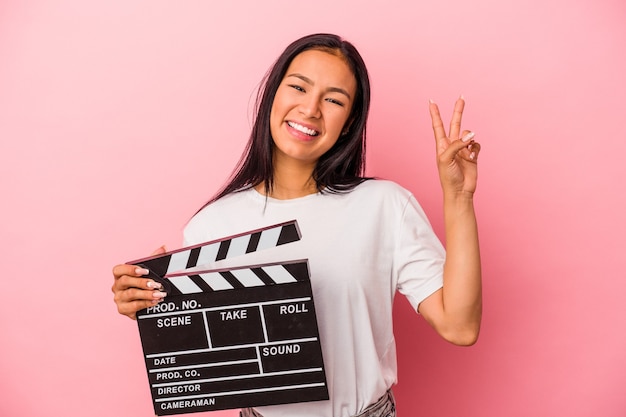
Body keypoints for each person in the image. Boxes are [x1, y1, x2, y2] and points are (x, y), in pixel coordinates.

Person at [112, 33, 482, 417]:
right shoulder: (212, 225)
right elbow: (200, 354)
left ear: (350, 120)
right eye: (299, 87)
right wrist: (146, 304)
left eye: (334, 99)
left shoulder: (384, 205)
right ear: (273, 93)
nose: (310, 108)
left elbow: (460, 326)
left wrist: (459, 197)